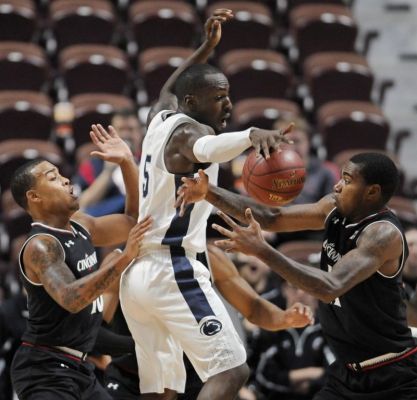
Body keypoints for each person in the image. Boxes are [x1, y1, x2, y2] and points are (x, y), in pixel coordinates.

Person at [119, 8, 295, 399]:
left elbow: (168, 87)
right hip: (173, 268)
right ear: (192, 102)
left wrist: (206, 47)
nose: (228, 106)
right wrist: (251, 135)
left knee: (161, 390)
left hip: (138, 276)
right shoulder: (188, 133)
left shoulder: (160, 118)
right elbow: (206, 148)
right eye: (218, 99)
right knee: (232, 371)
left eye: (228, 96)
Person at [177, 152, 417, 399]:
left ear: (372, 192)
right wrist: (209, 193)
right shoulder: (333, 208)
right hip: (346, 373)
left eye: (347, 180)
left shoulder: (382, 235)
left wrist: (262, 250)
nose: (337, 185)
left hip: (393, 375)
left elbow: (330, 286)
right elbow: (273, 217)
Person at [10, 124, 151, 400]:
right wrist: (124, 257)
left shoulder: (82, 224)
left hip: (79, 367)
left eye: (62, 174)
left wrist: (126, 162)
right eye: (53, 178)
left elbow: (131, 221)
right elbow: (72, 298)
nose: (65, 180)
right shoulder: (41, 245)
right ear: (34, 197)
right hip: (44, 370)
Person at [103, 245, 313, 399]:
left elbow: (254, 307)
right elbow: (94, 330)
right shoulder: (123, 261)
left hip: (193, 381)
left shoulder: (208, 257)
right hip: (132, 378)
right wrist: (136, 348)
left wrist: (284, 318)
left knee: (234, 370)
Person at [74, 109, 144, 217]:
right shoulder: (92, 165)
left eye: (131, 129)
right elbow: (83, 204)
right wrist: (108, 172)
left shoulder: (149, 161)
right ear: (110, 133)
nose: (126, 134)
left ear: (140, 133)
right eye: (120, 129)